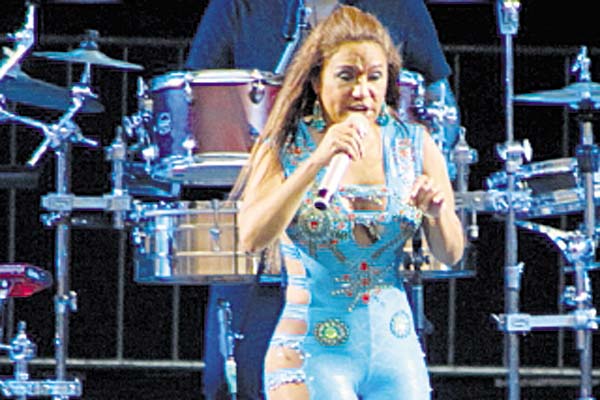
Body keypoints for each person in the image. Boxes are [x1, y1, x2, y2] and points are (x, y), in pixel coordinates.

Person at [184, 1, 461, 399]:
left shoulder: (414, 144)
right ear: (318, 81)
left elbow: (451, 253)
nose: (362, 92)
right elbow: (253, 237)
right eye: (346, 77)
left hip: (395, 350)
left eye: (375, 77)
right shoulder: (283, 144)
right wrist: (315, 161)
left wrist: (437, 214)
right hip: (311, 352)